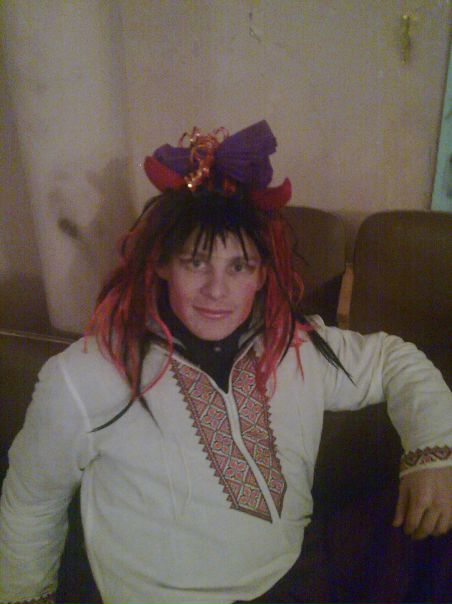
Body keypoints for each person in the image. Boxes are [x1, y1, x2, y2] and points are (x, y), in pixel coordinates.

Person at [0, 121, 451, 604]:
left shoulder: (295, 345)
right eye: (196, 262)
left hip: (290, 581)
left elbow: (394, 361)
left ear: (263, 274)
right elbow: (32, 503)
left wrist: (433, 454)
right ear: (161, 264)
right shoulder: (85, 374)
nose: (217, 290)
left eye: (239, 266)